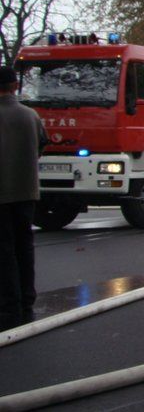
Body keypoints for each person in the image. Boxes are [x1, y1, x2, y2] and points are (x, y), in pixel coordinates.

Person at [0, 66, 48, 331]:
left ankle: (9, 301)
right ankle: (28, 297)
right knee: (24, 244)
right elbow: (42, 143)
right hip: (26, 190)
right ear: (15, 85)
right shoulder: (31, 115)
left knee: (4, 248)